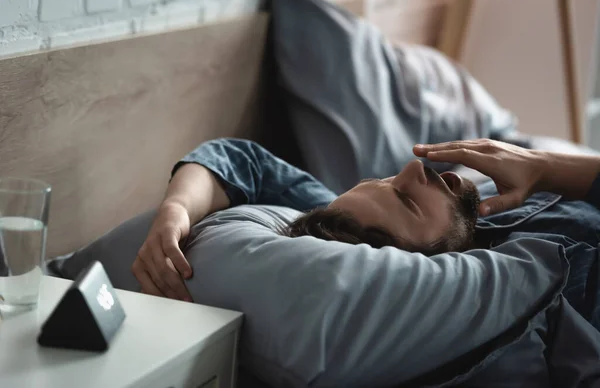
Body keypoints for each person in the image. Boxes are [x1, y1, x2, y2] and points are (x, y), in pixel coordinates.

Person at [130, 137, 599, 332]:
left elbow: (244, 160)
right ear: (418, 265)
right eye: (409, 200)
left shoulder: (343, 216)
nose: (416, 167)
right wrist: (553, 167)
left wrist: (175, 209)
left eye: (380, 182)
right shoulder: (564, 282)